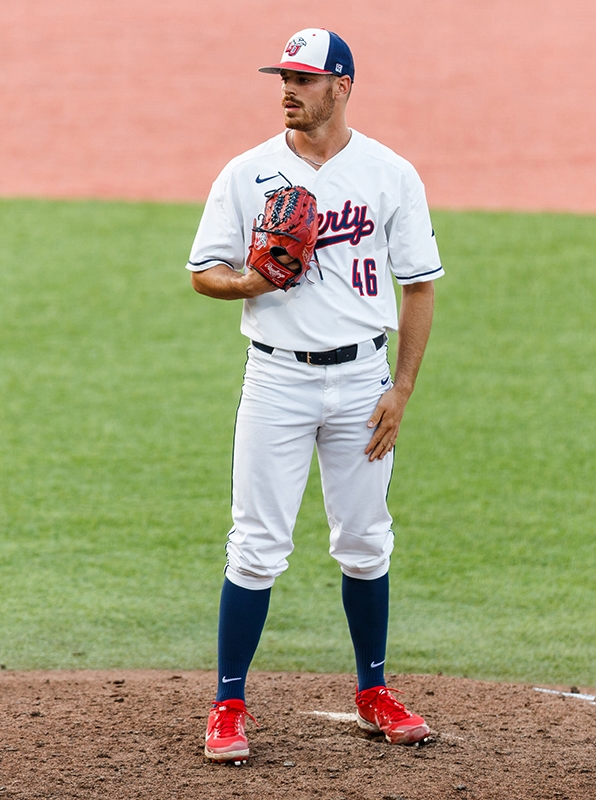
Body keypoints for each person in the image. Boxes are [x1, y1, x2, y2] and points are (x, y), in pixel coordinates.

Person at [186, 28, 444, 764]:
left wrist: (402, 387)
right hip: (277, 379)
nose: (288, 90)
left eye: (303, 78)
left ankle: (373, 692)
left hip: (365, 380)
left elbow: (418, 284)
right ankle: (228, 704)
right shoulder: (247, 173)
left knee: (365, 541)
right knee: (257, 545)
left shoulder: (390, 174)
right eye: (283, 77)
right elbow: (204, 269)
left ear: (342, 86)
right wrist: (247, 283)